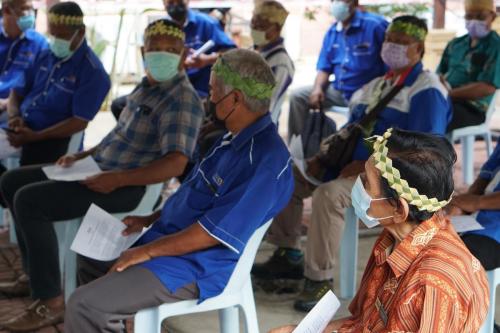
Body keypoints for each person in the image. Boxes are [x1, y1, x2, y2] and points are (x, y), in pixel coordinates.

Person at [63, 49, 294, 333]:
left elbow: (212, 234)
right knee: (89, 256)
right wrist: (150, 220)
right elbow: (194, 197)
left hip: (195, 266)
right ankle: (109, 318)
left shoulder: (264, 162)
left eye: (212, 92)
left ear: (235, 99)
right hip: (170, 242)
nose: (208, 99)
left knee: (83, 304)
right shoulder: (229, 140)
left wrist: (146, 252)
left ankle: (98, 314)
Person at [0, 18, 204, 332]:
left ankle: (51, 301)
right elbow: (119, 137)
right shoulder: (147, 86)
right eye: (155, 49)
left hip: (128, 185)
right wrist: (81, 155)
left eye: (171, 50)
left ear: (183, 53)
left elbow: (176, 163)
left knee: (30, 201)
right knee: (11, 181)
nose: (163, 55)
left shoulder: (181, 99)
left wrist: (117, 180)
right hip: (98, 170)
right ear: (142, 51)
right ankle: (35, 273)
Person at [253, 16, 452, 311]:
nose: (392, 46)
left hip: (390, 179)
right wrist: (324, 159)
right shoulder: (378, 84)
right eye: (389, 40)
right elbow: (352, 130)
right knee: (288, 178)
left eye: (401, 41)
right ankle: (288, 251)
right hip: (353, 167)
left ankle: (319, 278)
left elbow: (424, 151)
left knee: (329, 196)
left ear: (419, 48)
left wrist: (366, 167)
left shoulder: (426, 89)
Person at [270, 128, 490, 333]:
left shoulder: (431, 284)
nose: (356, 184)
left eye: (366, 183)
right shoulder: (393, 239)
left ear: (399, 208)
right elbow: (363, 322)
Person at [0, 2, 110, 171]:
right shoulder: (45, 55)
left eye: (62, 36)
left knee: (18, 184)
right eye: (53, 35)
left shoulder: (93, 73)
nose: (57, 41)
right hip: (21, 129)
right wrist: (15, 116)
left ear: (80, 32)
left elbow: (78, 122)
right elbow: (17, 92)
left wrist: (35, 136)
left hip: (52, 140)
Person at [287, 0, 388, 141]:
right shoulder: (332, 32)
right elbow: (324, 67)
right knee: (298, 96)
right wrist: (317, 89)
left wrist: (376, 88)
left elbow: (390, 64)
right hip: (338, 90)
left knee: (358, 107)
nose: (337, 4)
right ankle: (297, 150)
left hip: (367, 92)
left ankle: (347, 154)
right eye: (334, 1)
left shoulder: (375, 26)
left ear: (354, 2)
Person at [437, 0, 499, 132]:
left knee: (433, 114)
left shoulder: (495, 46)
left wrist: (449, 94)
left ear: (492, 17)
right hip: (445, 99)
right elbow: (438, 75)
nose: (474, 22)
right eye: (469, 17)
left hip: (472, 108)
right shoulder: (456, 44)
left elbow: (487, 87)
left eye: (481, 17)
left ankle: (434, 152)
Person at [164, 0, 236, 98]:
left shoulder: (207, 23)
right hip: (171, 95)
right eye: (171, 2)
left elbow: (234, 53)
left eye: (179, 1)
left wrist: (208, 59)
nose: (175, 5)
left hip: (206, 95)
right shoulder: (160, 30)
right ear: (164, 2)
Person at [447, 142, 500, 271]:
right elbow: (489, 170)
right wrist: (462, 203)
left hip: (494, 234)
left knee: (451, 262)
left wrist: (477, 202)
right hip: (476, 218)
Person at [251, 0, 294, 124]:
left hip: (257, 130)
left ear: (277, 28)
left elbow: (265, 108)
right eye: (253, 24)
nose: (255, 30)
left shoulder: (280, 63)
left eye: (262, 27)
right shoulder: (255, 51)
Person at [0, 0, 47, 113]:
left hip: (15, 108)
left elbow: (40, 85)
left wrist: (8, 103)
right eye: (25, 9)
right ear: (7, 10)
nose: (30, 14)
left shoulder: (39, 44)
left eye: (31, 9)